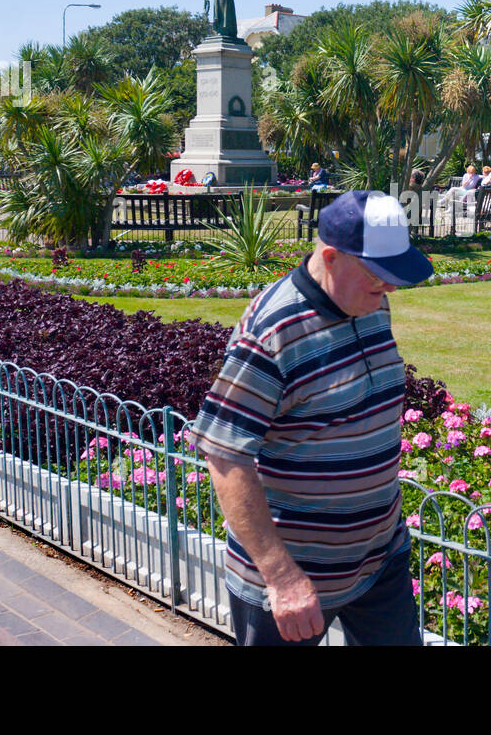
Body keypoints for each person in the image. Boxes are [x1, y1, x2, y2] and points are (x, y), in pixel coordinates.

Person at [185, 190, 434, 646]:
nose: (389, 288)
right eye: (378, 276)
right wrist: (282, 579)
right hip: (294, 580)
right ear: (332, 257)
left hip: (380, 559)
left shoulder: (369, 301)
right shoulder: (271, 333)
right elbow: (224, 457)